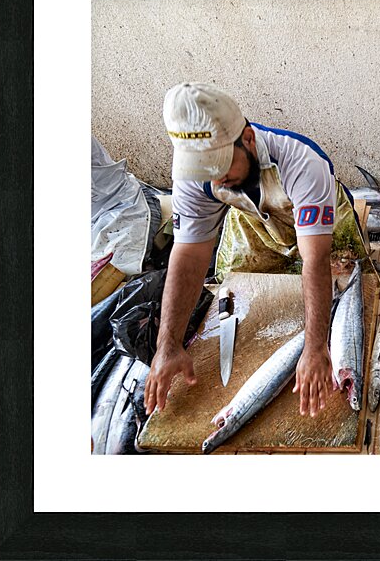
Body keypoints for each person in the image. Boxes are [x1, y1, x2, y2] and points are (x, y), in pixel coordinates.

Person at [144, 83, 365, 418]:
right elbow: (188, 255)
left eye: (220, 167)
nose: (215, 182)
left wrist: (316, 347)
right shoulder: (195, 177)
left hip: (323, 226)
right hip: (255, 221)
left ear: (247, 138)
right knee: (238, 283)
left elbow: (315, 259)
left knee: (344, 286)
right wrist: (168, 344)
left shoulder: (302, 162)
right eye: (204, 172)